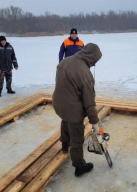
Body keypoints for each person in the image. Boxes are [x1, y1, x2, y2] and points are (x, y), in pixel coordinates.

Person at [52, 43, 102, 177]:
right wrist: (95, 122)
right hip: (72, 108)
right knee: (77, 136)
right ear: (92, 57)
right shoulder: (84, 73)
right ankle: (79, 166)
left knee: (65, 121)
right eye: (95, 61)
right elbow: (89, 102)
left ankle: (64, 145)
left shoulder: (64, 61)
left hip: (58, 103)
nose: (94, 64)